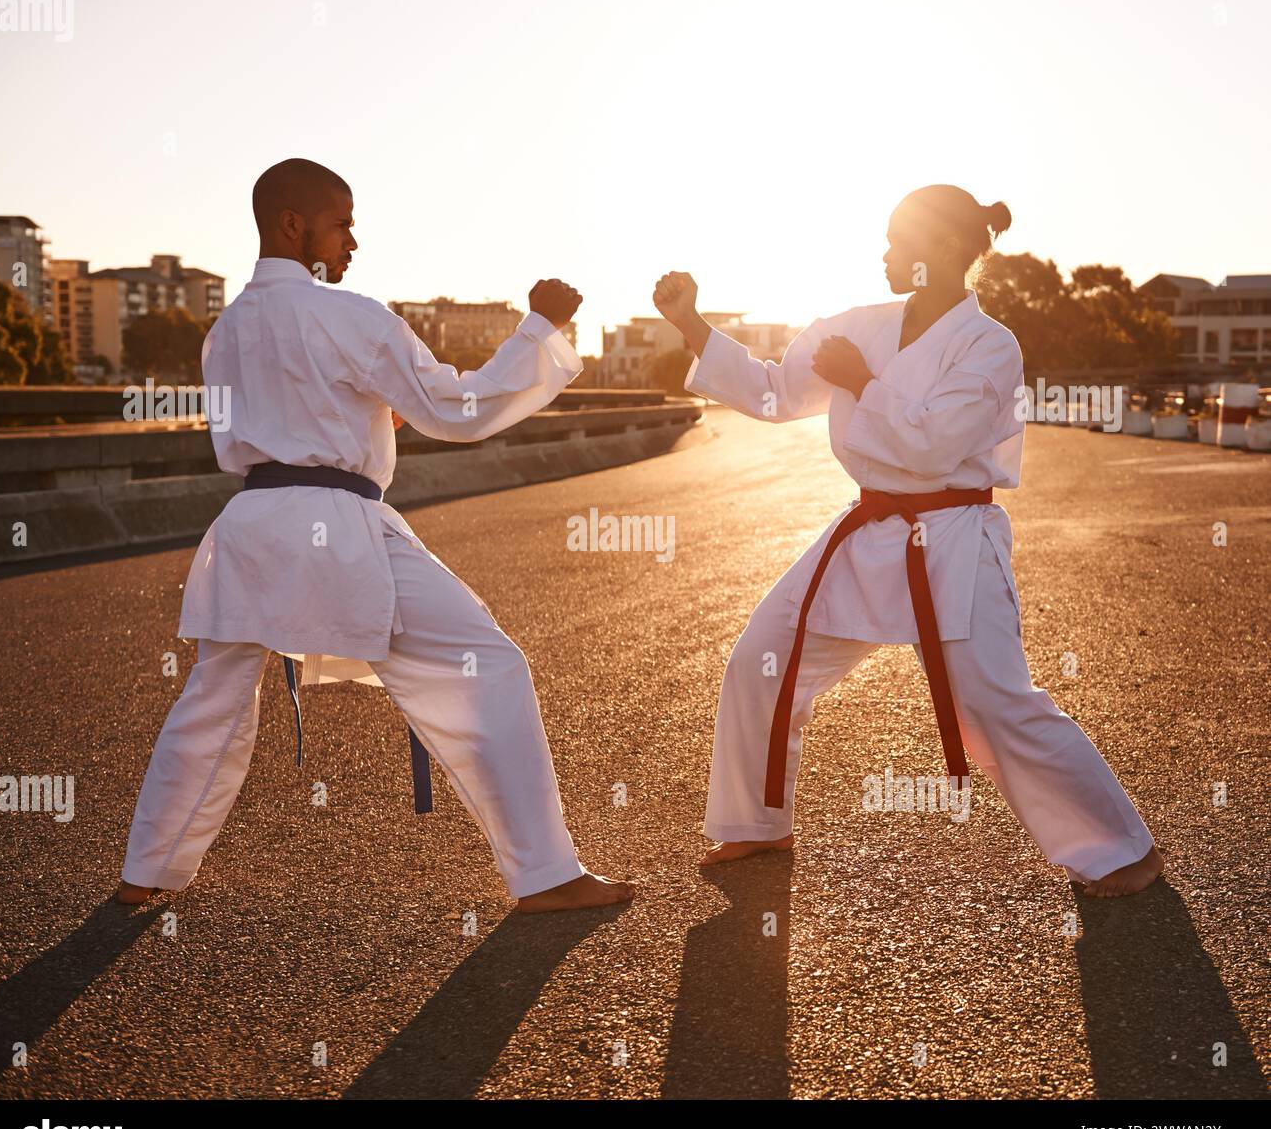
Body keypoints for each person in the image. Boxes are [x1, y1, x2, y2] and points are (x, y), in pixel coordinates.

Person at [117, 158, 634, 913]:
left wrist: (362, 421)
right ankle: (548, 875)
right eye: (342, 222)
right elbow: (458, 409)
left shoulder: (223, 332)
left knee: (213, 701)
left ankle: (147, 870)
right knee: (489, 665)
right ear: (294, 224)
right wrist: (539, 328)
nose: (352, 239)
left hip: (251, 526)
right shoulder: (349, 314)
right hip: (336, 524)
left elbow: (288, 421)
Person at [651, 184, 1164, 898]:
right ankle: (755, 822)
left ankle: (1119, 852)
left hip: (954, 538)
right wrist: (694, 327)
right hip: (867, 533)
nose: (887, 254)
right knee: (763, 656)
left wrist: (862, 381)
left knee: (991, 701)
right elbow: (775, 393)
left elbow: (932, 446)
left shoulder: (990, 345)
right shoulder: (859, 323)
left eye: (900, 242)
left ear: (948, 250)